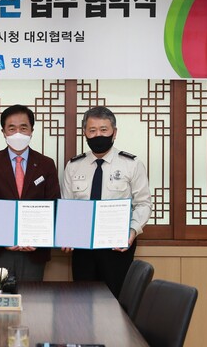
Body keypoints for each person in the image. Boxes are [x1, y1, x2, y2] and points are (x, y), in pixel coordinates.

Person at [61, 106, 152, 298]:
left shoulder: (131, 164)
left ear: (114, 132)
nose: (98, 135)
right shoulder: (74, 165)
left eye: (104, 130)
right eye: (92, 130)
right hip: (83, 248)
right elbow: (67, 205)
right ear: (84, 133)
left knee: (116, 301)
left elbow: (143, 203)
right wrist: (67, 233)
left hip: (117, 247)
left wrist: (132, 231)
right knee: (82, 300)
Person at [0, 104, 61, 281]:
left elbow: (54, 204)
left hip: (34, 250)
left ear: (32, 131)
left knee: (32, 297)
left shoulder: (46, 164)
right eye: (12, 128)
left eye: (23, 128)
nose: (18, 133)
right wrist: (2, 240)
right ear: (3, 132)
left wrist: (38, 239)